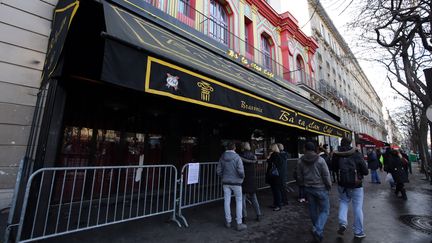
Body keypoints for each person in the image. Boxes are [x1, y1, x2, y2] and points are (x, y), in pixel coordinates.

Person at [332, 137, 369, 239]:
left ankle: (343, 223)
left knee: (343, 202)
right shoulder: (356, 153)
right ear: (350, 143)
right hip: (357, 185)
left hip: (342, 184)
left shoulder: (336, 155)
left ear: (341, 143)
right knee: (357, 207)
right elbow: (365, 171)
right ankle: (359, 232)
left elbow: (333, 168)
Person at [297, 142, 331, 242]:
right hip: (320, 188)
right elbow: (326, 175)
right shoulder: (320, 160)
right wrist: (328, 186)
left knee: (313, 210)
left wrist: (302, 184)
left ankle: (316, 228)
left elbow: (299, 175)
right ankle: (318, 229)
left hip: (308, 188)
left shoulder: (300, 161)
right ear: (314, 149)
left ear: (305, 149)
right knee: (325, 210)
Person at [217, 142, 247, 231]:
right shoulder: (237, 157)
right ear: (234, 148)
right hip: (237, 183)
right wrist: (242, 177)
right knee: (239, 201)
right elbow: (241, 171)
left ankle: (228, 221)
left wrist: (223, 176)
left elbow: (218, 170)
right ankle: (239, 223)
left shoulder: (222, 157)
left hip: (226, 182)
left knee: (227, 201)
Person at [239, 142, 262, 222]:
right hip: (251, 179)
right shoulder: (253, 156)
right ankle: (258, 214)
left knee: (242, 199)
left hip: (243, 179)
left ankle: (244, 217)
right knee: (254, 198)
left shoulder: (240, 156)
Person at [266, 143, 283, 211]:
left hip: (274, 176)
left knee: (276, 191)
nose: (269, 148)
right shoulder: (278, 154)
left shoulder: (274, 155)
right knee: (276, 191)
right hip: (277, 175)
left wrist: (269, 156)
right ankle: (276, 204)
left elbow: (270, 162)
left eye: (270, 147)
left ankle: (278, 205)